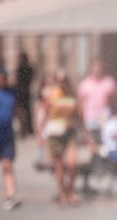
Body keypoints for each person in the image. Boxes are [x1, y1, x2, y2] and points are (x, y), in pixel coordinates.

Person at [42, 71, 80, 207]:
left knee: (73, 163)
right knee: (60, 166)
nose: (62, 83)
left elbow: (80, 114)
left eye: (64, 80)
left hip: (69, 132)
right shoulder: (52, 95)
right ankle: (63, 193)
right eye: (59, 80)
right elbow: (45, 115)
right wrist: (41, 136)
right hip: (55, 133)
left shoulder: (72, 95)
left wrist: (86, 134)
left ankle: (71, 189)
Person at [77, 60, 117, 146]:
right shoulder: (85, 84)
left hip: (105, 117)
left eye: (99, 69)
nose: (97, 71)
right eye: (95, 69)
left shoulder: (109, 82)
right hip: (90, 118)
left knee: (105, 142)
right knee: (93, 142)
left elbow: (115, 98)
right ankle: (95, 158)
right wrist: (81, 121)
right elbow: (81, 103)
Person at [0, 64, 19, 210]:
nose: (3, 78)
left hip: (7, 136)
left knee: (7, 165)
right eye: (1, 75)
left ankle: (10, 196)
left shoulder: (10, 92)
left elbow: (17, 110)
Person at [14, 52, 34, 138]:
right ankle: (27, 128)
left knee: (23, 111)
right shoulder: (28, 68)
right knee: (25, 111)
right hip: (24, 91)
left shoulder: (21, 69)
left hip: (22, 91)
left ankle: (25, 129)